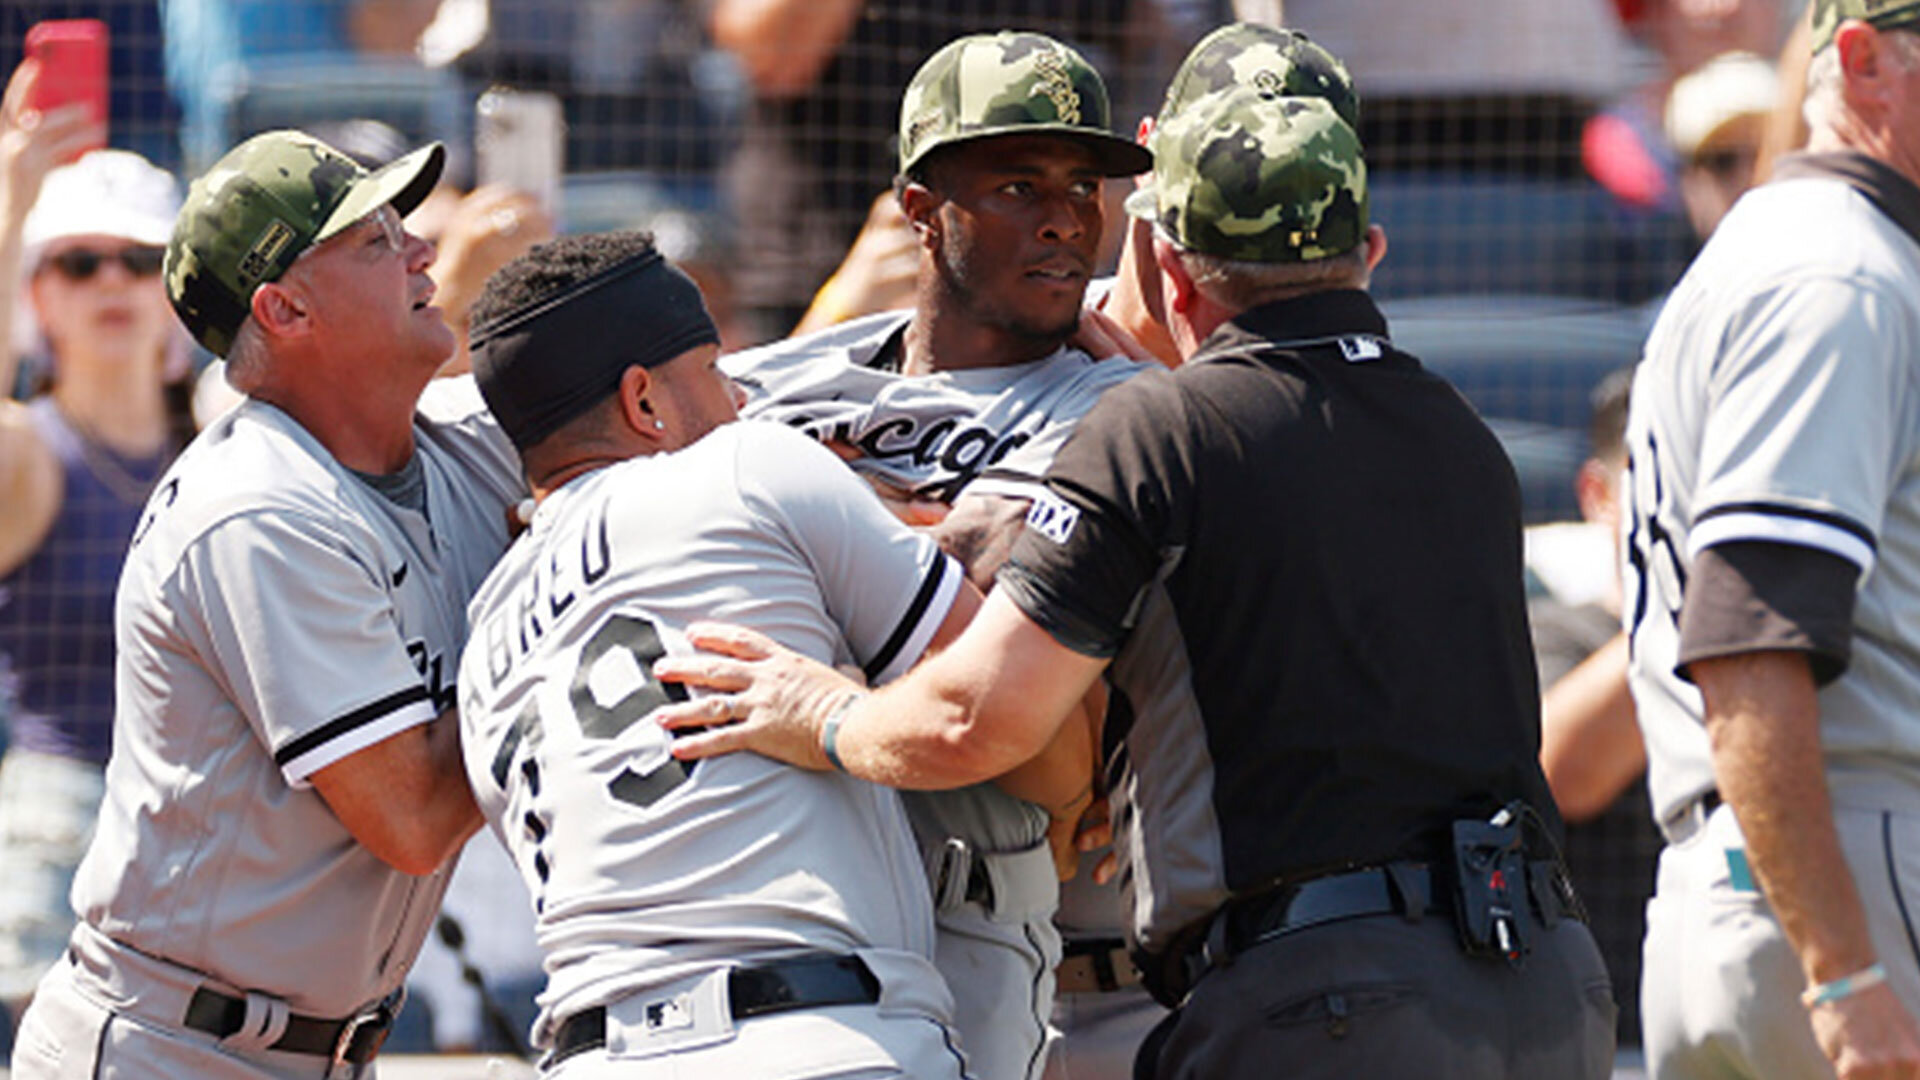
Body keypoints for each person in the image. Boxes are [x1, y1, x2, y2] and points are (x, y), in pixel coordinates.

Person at [652, 85, 1616, 1079]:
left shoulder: (1164, 431)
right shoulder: (1462, 435)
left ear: (1161, 262)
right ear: (1366, 251)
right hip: (1541, 984)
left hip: (1325, 1001)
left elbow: (974, 721)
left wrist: (818, 712)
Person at [9, 128, 523, 1078]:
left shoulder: (447, 446)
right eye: (375, 242)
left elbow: (684, 408)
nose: (421, 251)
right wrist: (548, 607)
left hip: (302, 1047)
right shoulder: (257, 504)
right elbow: (410, 820)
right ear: (283, 308)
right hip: (170, 1047)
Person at [722, 30, 1156, 1080]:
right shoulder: (800, 368)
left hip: (963, 888)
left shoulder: (1115, 404)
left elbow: (994, 616)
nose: (1065, 217)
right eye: (1018, 182)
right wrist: (896, 519)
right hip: (766, 885)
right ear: (918, 210)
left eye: (1085, 186)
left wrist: (799, 506)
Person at [456, 229, 984, 1076]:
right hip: (812, 1039)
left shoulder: (483, 634)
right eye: (711, 368)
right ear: (645, 402)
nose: (740, 395)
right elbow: (995, 688)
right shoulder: (748, 465)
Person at [1046, 22, 1362, 1079]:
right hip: (1008, 968)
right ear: (1150, 154)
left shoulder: (1347, 403)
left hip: (1216, 989)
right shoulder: (1027, 340)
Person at [1623, 0, 1920, 1075]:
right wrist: (1844, 972)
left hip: (1768, 871)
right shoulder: (1837, 273)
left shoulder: (1800, 254)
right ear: (1862, 60)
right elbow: (1750, 642)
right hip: (1842, 869)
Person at [0, 58, 186, 1026]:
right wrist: (11, 201)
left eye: (140, 258)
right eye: (79, 261)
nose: (112, 280)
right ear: (39, 293)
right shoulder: (31, 456)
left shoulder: (225, 449)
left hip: (197, 839)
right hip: (54, 842)